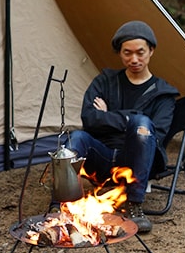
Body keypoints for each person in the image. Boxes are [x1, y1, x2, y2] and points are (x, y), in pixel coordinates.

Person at [66, 20, 178, 233]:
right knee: (77, 138)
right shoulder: (105, 81)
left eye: (140, 52)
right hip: (103, 157)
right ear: (120, 53)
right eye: (127, 53)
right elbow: (89, 119)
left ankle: (135, 204)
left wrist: (109, 116)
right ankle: (64, 202)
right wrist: (127, 120)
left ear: (151, 51)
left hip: (140, 161)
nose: (134, 59)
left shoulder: (164, 94)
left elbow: (158, 136)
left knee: (143, 125)